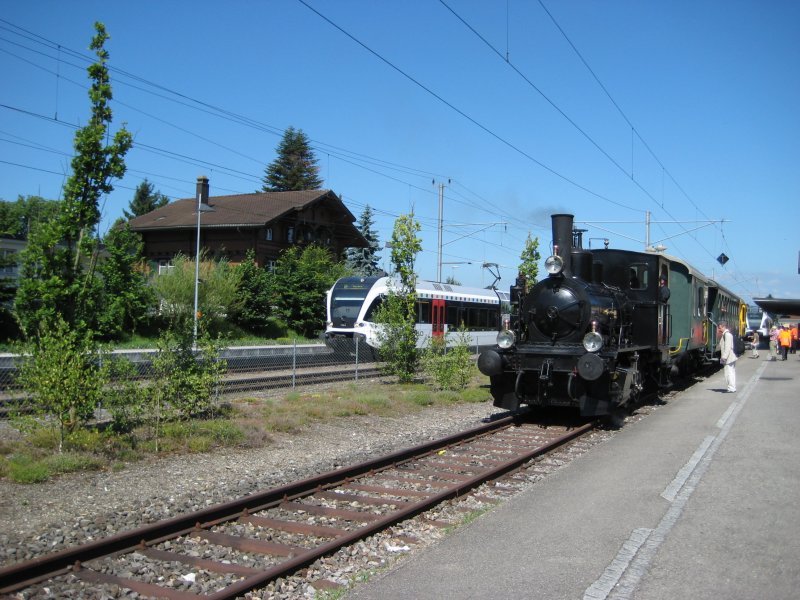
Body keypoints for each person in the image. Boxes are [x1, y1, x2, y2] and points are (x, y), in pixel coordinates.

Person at [718, 321, 737, 393]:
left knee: (729, 373)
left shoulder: (727, 335)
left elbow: (727, 347)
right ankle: (731, 387)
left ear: (723, 327)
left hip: (728, 358)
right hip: (729, 357)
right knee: (730, 372)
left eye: (720, 328)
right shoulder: (726, 335)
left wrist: (724, 358)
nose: (719, 329)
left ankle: (731, 388)